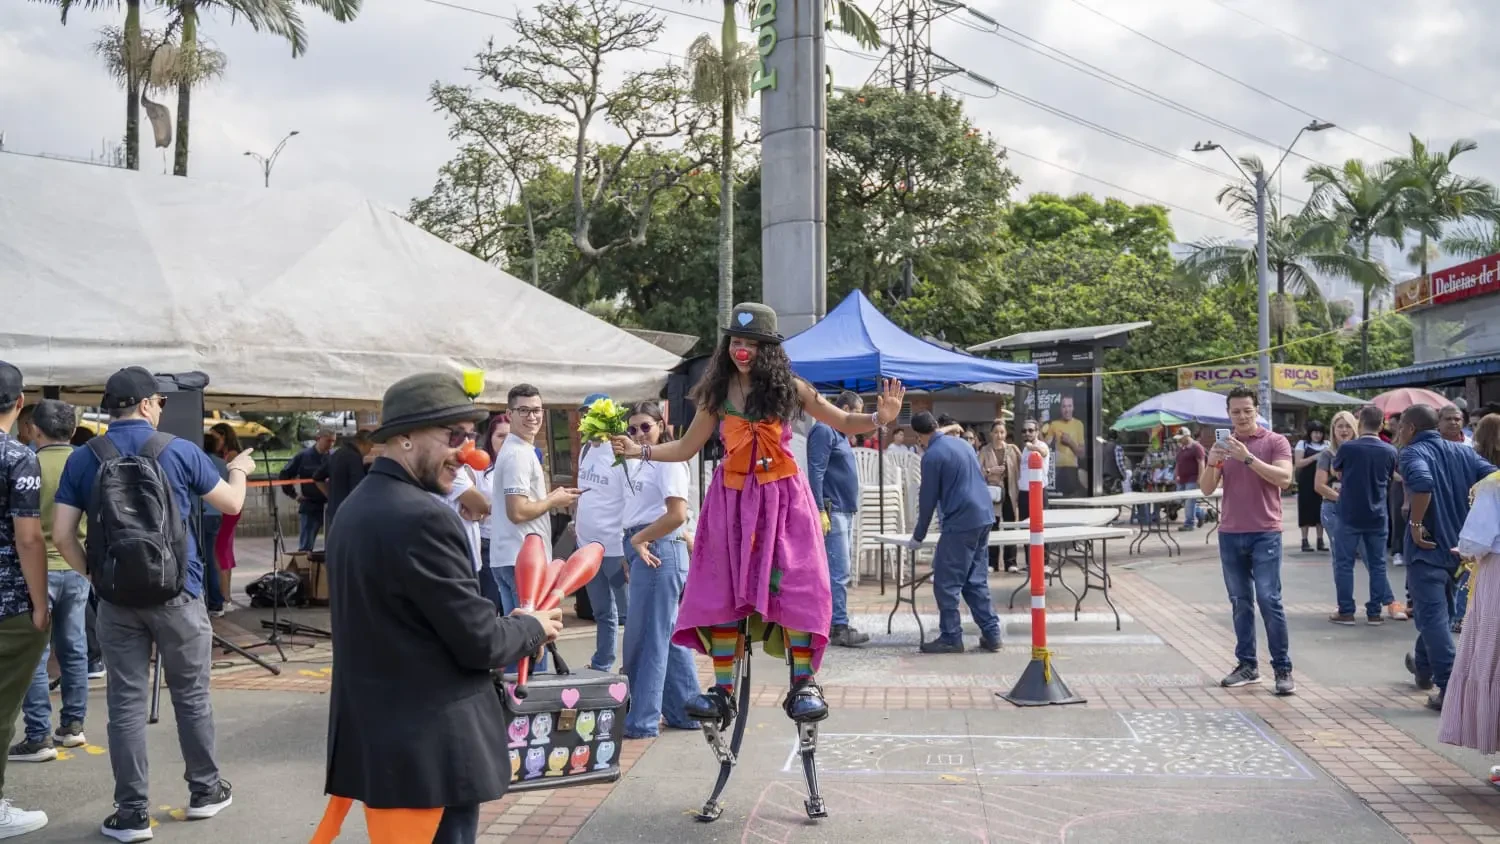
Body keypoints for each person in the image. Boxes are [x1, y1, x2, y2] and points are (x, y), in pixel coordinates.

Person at [609, 303, 903, 732]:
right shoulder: (716, 394)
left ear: (767, 348)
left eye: (751, 343)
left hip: (783, 502)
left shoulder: (792, 389)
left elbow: (841, 419)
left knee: (801, 585)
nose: (741, 350)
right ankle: (723, 691)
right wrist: (641, 451)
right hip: (731, 504)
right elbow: (687, 448)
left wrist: (881, 418)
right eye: (736, 341)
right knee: (722, 591)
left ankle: (803, 682)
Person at [317, 372, 563, 844]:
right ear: (404, 439)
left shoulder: (355, 508)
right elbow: (479, 641)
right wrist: (530, 626)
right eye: (454, 437)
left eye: (470, 437)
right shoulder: (424, 517)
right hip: (427, 752)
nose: (468, 453)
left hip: (385, 746)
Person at [52, 366, 256, 840]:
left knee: (124, 703)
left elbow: (62, 534)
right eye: (160, 401)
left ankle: (130, 814)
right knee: (192, 697)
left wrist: (95, 575)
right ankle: (206, 791)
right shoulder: (180, 451)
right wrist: (238, 471)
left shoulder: (84, 459)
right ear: (146, 404)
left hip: (117, 599)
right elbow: (231, 504)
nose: (162, 407)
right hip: (179, 593)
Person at [1395, 404, 1498, 711]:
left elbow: (1423, 484)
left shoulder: (1412, 453)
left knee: (1433, 617)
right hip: (1459, 550)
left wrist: (1415, 524)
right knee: (1436, 613)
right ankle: (1423, 667)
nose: (1399, 431)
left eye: (1401, 425)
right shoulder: (1464, 453)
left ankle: (1449, 684)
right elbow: (1494, 476)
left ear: (1411, 428)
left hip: (1426, 548)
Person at [1199, 386, 1297, 696]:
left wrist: (1248, 458)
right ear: (1228, 414)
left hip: (1265, 531)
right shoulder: (1224, 445)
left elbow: (1285, 479)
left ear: (1257, 412)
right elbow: (1205, 489)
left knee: (1269, 600)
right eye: (1235, 411)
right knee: (1240, 602)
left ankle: (1282, 669)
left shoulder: (1275, 442)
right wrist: (1213, 461)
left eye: (1247, 411)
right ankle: (1247, 665)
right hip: (1230, 532)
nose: (1241, 416)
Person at [8, 400, 90, 767]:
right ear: (72, 430)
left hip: (37, 568)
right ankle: (73, 725)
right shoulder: (85, 461)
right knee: (74, 647)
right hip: (77, 566)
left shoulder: (26, 462)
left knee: (37, 657)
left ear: (35, 430)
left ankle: (38, 734)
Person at [617, 401, 699, 738]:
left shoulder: (668, 459)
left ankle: (641, 720)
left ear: (661, 425)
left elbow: (677, 515)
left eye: (645, 427)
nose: (638, 434)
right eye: (632, 429)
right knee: (664, 635)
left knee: (647, 638)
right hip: (645, 547)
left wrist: (638, 540)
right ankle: (687, 710)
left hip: (659, 547)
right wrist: (630, 546)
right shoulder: (638, 461)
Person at [0, 362, 52, 838]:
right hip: (7, 603)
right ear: (19, 405)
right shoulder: (18, 457)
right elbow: (29, 539)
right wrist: (40, 604)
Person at [908, 411, 1003, 655]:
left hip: (960, 522)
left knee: (946, 582)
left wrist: (918, 537)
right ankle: (992, 633)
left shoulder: (932, 457)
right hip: (984, 517)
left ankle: (951, 637)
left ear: (919, 436)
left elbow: (927, 500)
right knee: (974, 579)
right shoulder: (963, 445)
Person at [1438, 415, 1499, 781]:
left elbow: (1474, 540)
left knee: (1492, 656)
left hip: (1495, 577)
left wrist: (1464, 550)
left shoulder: (1492, 487)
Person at [489, 385, 581, 615]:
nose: (533, 417)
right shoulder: (518, 454)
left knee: (522, 641)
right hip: (522, 560)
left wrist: (552, 497)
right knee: (533, 638)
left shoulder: (518, 449)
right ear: (510, 415)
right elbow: (517, 512)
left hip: (513, 557)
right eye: (524, 410)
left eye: (537, 410)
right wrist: (552, 501)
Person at [1327, 406, 1401, 626]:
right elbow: (1390, 476)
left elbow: (1336, 471)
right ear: (1381, 425)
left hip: (1348, 513)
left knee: (1344, 564)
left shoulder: (1348, 448)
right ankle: (1374, 613)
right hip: (1378, 515)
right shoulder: (1390, 451)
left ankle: (1347, 611)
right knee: (1378, 564)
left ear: (1359, 424)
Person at [807, 391, 869, 647]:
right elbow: (816, 470)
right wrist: (819, 508)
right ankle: (838, 626)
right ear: (843, 408)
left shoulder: (839, 434)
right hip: (833, 510)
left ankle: (836, 622)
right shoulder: (824, 431)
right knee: (838, 572)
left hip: (844, 509)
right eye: (856, 412)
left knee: (840, 570)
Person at [575, 396, 630, 671]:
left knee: (630, 614)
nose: (585, 420)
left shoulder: (620, 452)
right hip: (587, 547)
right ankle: (602, 663)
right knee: (602, 612)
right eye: (583, 415)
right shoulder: (585, 449)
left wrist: (628, 544)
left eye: (590, 414)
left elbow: (631, 499)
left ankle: (633, 664)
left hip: (615, 550)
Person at [1314, 411, 1356, 586]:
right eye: (1340, 426)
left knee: (1372, 558)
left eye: (1348, 426)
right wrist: (1342, 499)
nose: (1344, 430)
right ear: (1333, 430)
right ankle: (1344, 605)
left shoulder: (1363, 451)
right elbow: (1319, 486)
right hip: (1333, 509)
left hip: (1360, 511)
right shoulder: (1327, 454)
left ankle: (1387, 599)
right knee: (1341, 557)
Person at [474, 414, 510, 611]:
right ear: (490, 438)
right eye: (500, 436)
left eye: (510, 437)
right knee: (491, 601)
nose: (505, 442)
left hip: (515, 542)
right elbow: (469, 507)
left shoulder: (521, 463)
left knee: (513, 605)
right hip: (489, 542)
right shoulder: (480, 466)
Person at [279, 429, 335, 552]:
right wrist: (294, 495)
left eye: (333, 441)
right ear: (318, 438)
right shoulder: (303, 457)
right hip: (311, 506)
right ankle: (305, 568)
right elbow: (284, 475)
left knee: (334, 544)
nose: (330, 444)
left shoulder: (334, 457)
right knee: (306, 546)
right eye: (328, 441)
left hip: (331, 505)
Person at [979, 418, 1021, 572]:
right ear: (991, 434)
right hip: (993, 494)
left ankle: (1011, 562)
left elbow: (1022, 466)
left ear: (1006, 433)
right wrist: (990, 472)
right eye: (996, 432)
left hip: (1010, 492)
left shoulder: (1013, 449)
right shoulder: (985, 450)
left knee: (1010, 525)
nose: (999, 435)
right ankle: (992, 562)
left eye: (1002, 432)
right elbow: (977, 471)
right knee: (993, 526)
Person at [313, 430, 374, 535]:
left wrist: (330, 496)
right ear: (364, 443)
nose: (370, 451)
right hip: (350, 514)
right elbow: (358, 488)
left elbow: (317, 477)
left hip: (334, 511)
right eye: (370, 447)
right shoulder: (354, 458)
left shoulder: (336, 454)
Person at [209, 425, 243, 611]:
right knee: (224, 551)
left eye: (215, 438)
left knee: (219, 552)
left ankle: (224, 596)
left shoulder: (230, 457)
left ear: (223, 437)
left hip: (226, 507)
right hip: (230, 506)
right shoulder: (232, 455)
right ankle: (226, 596)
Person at [198, 432, 229, 617]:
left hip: (199, 513)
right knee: (211, 558)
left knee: (197, 558)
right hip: (216, 513)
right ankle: (216, 602)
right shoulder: (222, 465)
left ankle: (202, 600)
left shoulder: (196, 461)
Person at [1294, 421, 1328, 552]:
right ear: (1310, 433)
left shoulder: (1327, 445)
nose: (1317, 435)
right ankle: (1304, 540)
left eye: (1320, 432)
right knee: (1305, 510)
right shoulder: (1302, 444)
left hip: (1322, 481)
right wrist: (1315, 457)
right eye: (1315, 432)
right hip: (1306, 481)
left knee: (1321, 510)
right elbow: (1298, 463)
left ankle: (1320, 540)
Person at [1043, 395, 1085, 496]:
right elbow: (1044, 446)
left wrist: (1070, 442)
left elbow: (1081, 454)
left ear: (1073, 407)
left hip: (1072, 469)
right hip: (1057, 469)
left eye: (1069, 406)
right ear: (1060, 409)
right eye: (1064, 406)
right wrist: (1039, 428)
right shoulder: (1054, 424)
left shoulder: (1079, 424)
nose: (1067, 410)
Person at [1018, 419, 1051, 521]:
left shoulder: (1041, 445)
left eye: (1030, 430)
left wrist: (1032, 447)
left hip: (1037, 492)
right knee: (1024, 527)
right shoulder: (1024, 449)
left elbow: (1044, 452)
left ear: (1037, 432)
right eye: (1024, 431)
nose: (1027, 433)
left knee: (1039, 527)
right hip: (1024, 494)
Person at [1174, 427, 1206, 532]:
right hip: (1181, 479)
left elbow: (1201, 463)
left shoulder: (1196, 447)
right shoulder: (1181, 448)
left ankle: (1189, 523)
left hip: (1192, 478)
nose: (1179, 440)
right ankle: (1200, 513)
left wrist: (1200, 478)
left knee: (1189, 501)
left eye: (1181, 438)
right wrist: (1176, 475)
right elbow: (1178, 462)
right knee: (1181, 500)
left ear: (1187, 436)